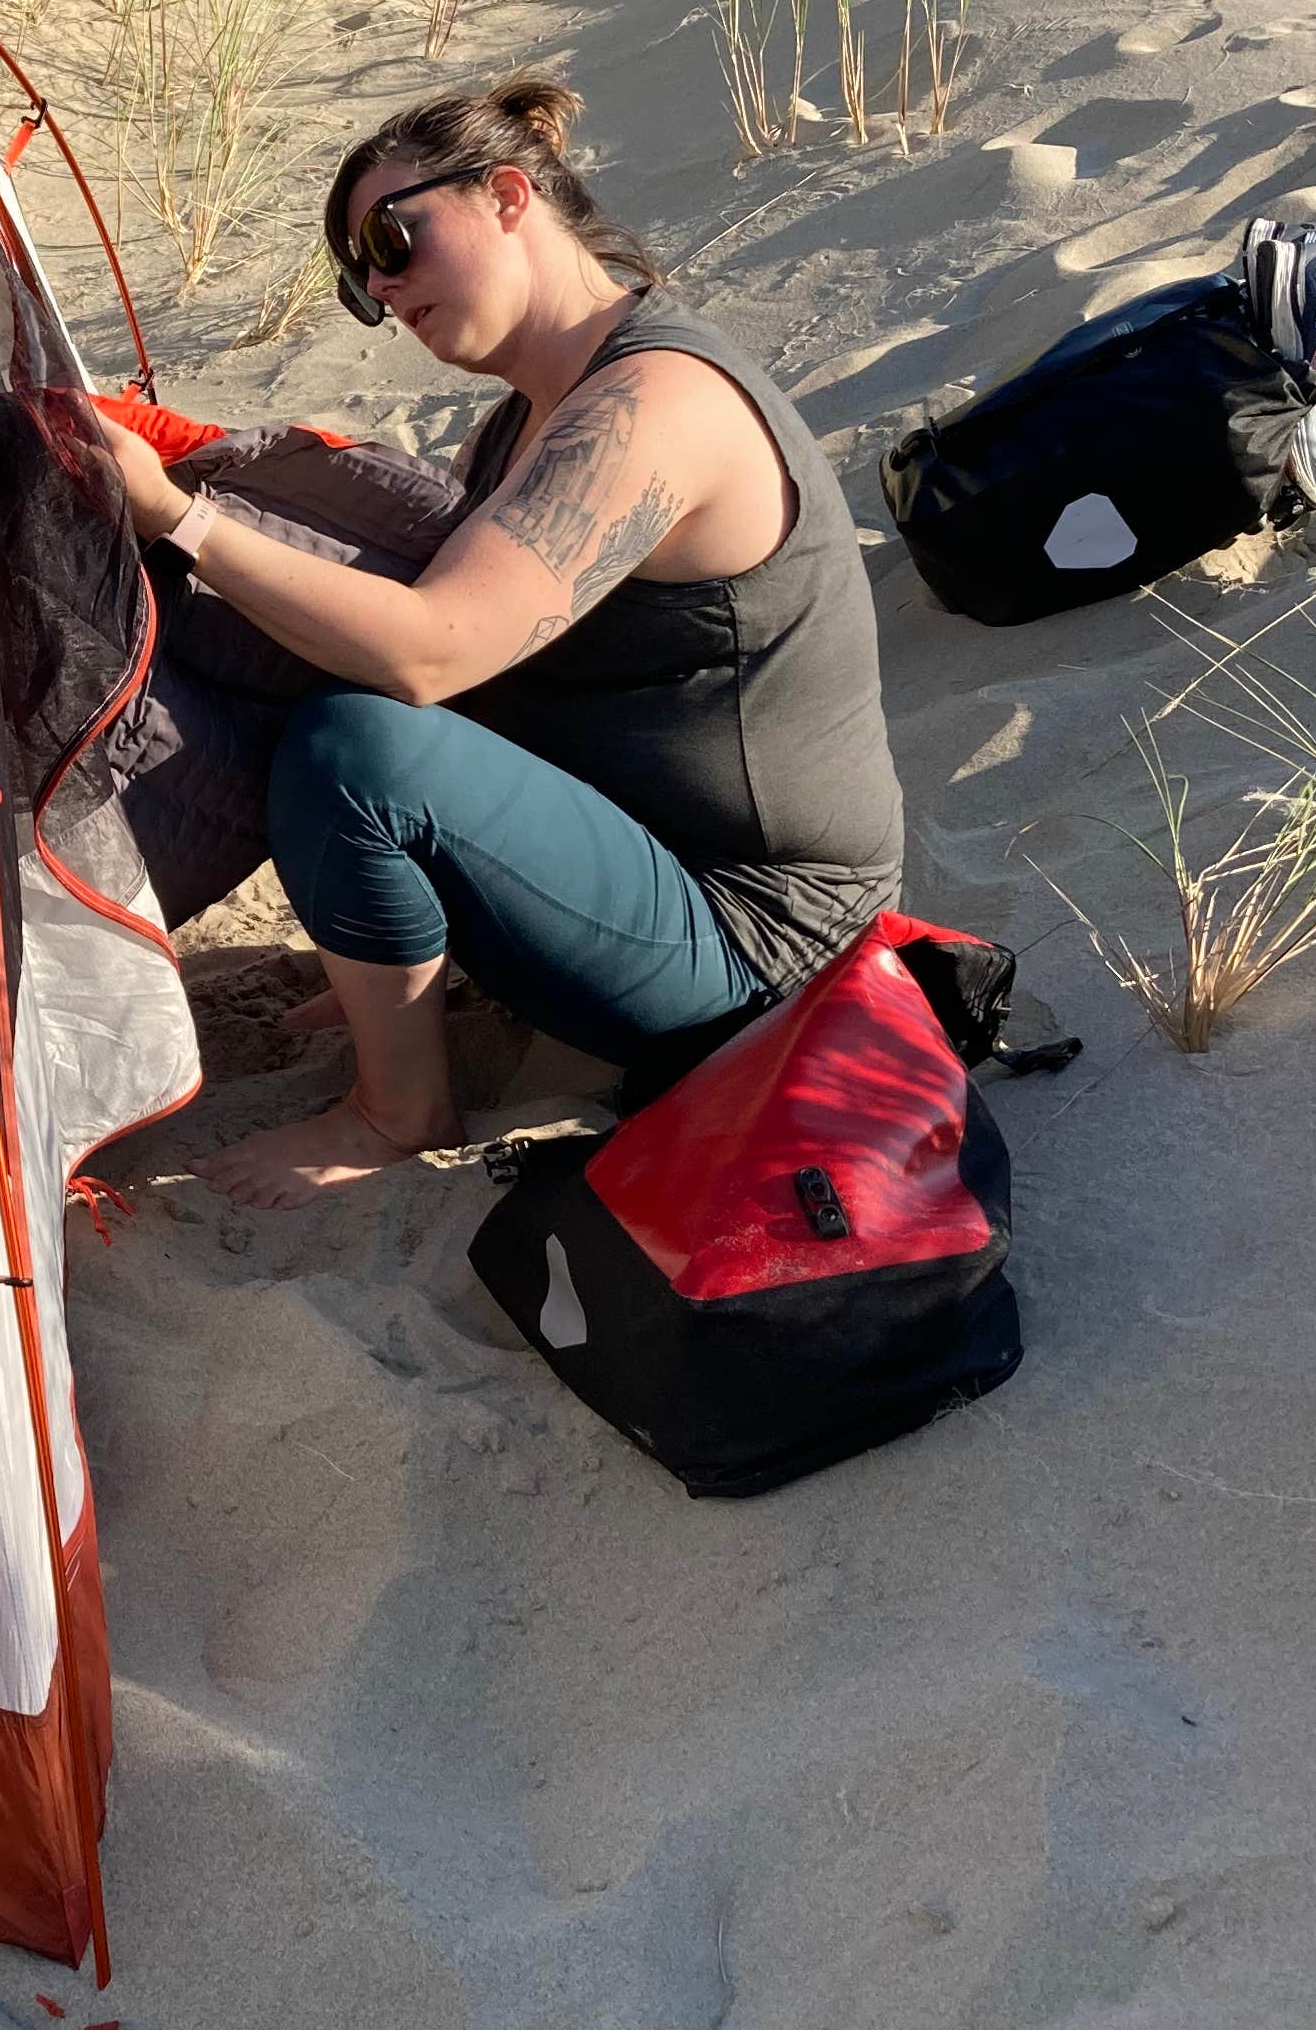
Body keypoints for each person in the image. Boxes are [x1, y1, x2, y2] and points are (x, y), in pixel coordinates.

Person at [84, 73, 905, 1209]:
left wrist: (182, 518)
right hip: (640, 853)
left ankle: (398, 1108)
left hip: (760, 945)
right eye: (357, 279)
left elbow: (434, 652)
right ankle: (415, 961)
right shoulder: (530, 417)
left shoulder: (655, 406)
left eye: (393, 237)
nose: (380, 288)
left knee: (357, 748)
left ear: (509, 192)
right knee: (306, 661)